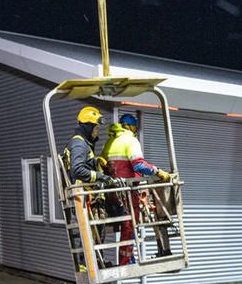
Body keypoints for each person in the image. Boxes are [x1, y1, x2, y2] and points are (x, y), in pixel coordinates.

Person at [102, 112, 174, 263]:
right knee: (129, 226)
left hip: (111, 193)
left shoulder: (109, 142)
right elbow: (139, 164)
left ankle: (127, 257)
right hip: (126, 192)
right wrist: (158, 172)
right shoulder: (130, 141)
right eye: (135, 128)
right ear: (131, 127)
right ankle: (126, 261)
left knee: (120, 224)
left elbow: (104, 166)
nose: (135, 131)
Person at [61, 106, 110, 272]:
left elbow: (85, 164)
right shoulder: (79, 144)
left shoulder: (83, 144)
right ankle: (87, 265)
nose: (97, 131)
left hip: (88, 197)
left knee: (96, 231)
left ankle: (96, 261)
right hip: (85, 197)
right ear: (88, 127)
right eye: (96, 128)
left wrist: (97, 161)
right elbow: (78, 169)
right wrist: (101, 176)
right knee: (89, 231)